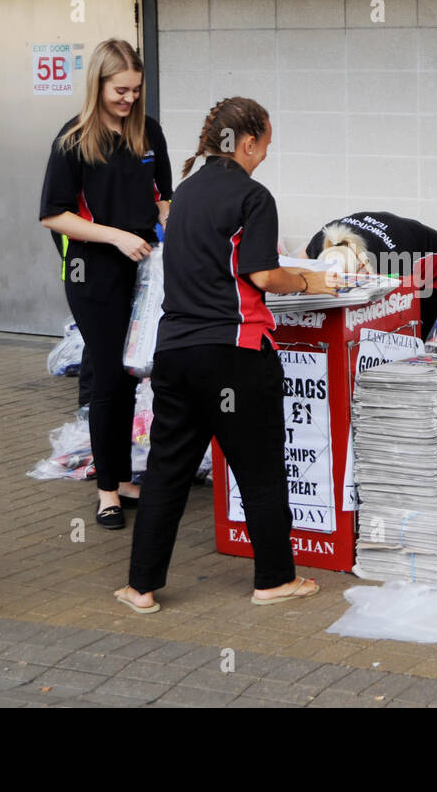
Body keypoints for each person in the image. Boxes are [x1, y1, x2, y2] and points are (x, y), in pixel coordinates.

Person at [113, 97, 335, 612]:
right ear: (249, 142)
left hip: (174, 354)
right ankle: (274, 580)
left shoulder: (184, 194)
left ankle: (140, 586)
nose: (265, 157)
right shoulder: (252, 195)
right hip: (234, 354)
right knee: (258, 468)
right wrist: (308, 279)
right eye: (265, 147)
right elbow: (261, 274)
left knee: (167, 472)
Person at [39, 39, 172, 530]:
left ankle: (124, 475)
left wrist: (168, 227)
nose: (129, 99)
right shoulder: (74, 138)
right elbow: (54, 215)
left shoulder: (148, 133)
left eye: (136, 90)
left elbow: (163, 198)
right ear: (98, 84)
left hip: (144, 271)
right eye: (120, 90)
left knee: (138, 374)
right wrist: (116, 237)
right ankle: (107, 491)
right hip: (93, 274)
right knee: (111, 379)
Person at [303, 210, 437, 337]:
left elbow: (396, 316)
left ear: (361, 267)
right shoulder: (321, 242)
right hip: (387, 237)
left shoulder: (393, 263)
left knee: (421, 332)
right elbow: (296, 269)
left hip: (435, 257)